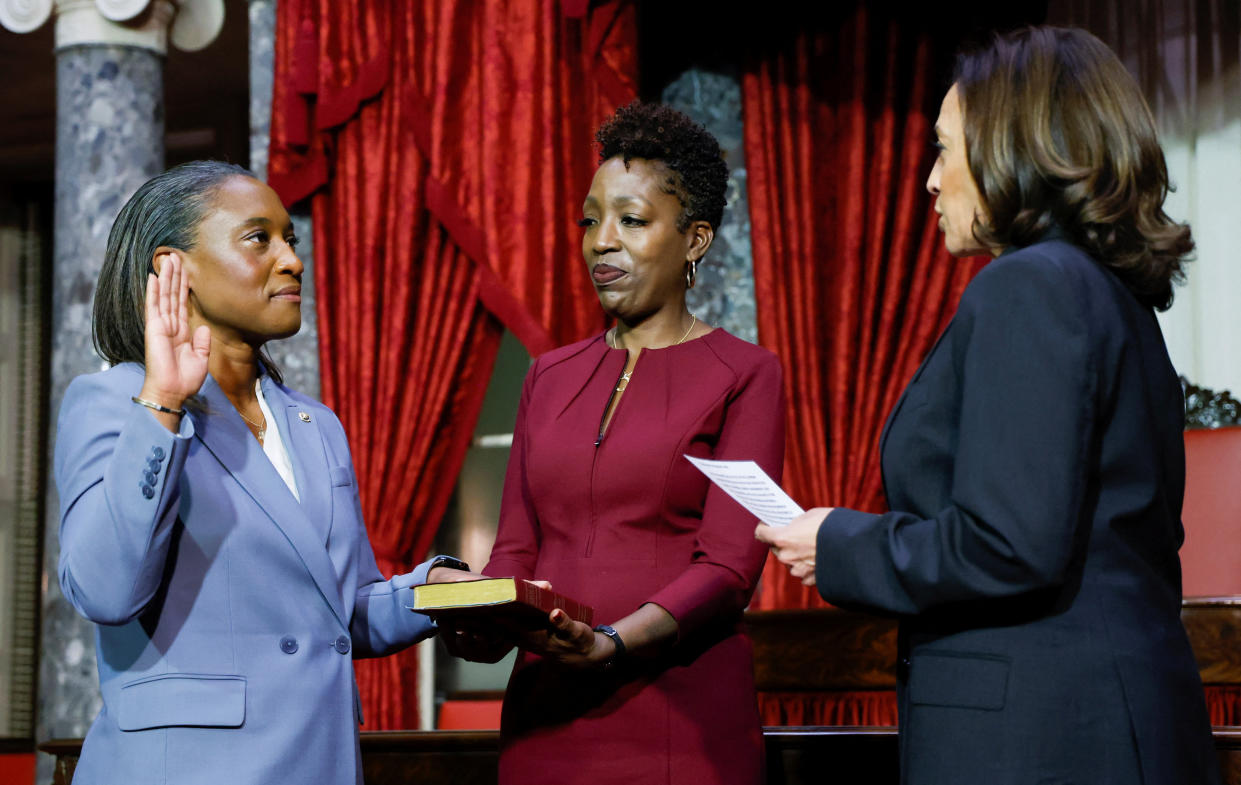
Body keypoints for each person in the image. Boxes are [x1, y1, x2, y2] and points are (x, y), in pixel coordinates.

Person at [757, 26, 1221, 785]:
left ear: (1015, 147)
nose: (930, 181)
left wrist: (838, 543)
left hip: (1040, 736)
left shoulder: (1027, 285)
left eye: (943, 148)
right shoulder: (1113, 297)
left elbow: (1008, 543)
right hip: (1114, 719)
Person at [55, 160, 474, 785]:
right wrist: (163, 403)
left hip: (319, 761)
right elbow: (105, 591)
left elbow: (338, 612)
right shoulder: (114, 403)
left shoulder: (316, 424)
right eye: (259, 239)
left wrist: (436, 592)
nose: (292, 260)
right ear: (174, 268)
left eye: (291, 240)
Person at [445, 102, 785, 785]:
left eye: (631, 220)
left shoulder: (747, 373)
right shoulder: (547, 374)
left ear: (694, 239)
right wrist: (480, 616)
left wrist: (610, 643)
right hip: (546, 716)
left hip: (678, 719)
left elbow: (727, 567)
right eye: (590, 219)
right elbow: (515, 548)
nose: (602, 240)